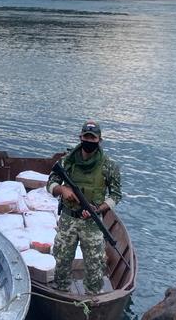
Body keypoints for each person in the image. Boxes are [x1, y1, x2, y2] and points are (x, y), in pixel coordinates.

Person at [47, 120, 122, 294]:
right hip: (68, 219)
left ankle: (93, 296)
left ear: (99, 140)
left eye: (93, 138)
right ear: (80, 138)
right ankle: (61, 290)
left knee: (95, 263)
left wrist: (99, 209)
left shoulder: (109, 165)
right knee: (62, 259)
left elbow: (116, 195)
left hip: (93, 223)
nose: (89, 141)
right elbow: (50, 183)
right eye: (86, 137)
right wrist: (62, 189)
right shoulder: (67, 161)